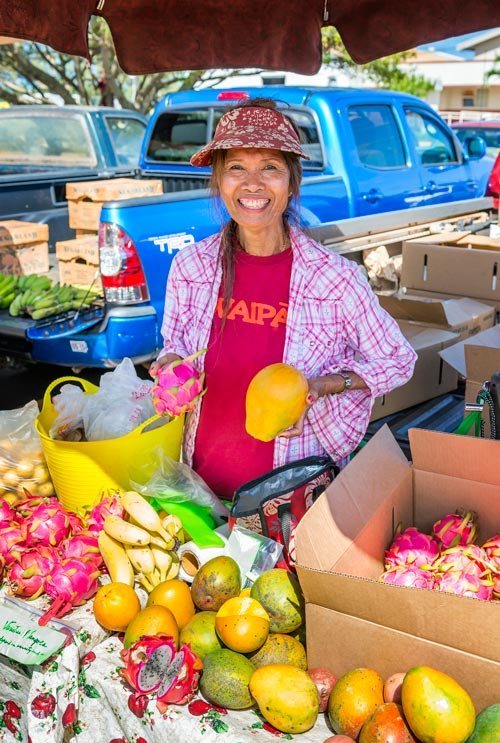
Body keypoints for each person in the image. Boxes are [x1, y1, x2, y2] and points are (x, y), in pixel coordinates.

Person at [150, 98, 417, 502]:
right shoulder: (191, 266)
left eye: (270, 168)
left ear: (292, 182)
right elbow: (175, 348)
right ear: (219, 180)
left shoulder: (334, 279)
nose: (252, 184)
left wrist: (323, 386)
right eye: (236, 168)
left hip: (293, 497)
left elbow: (398, 360)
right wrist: (171, 370)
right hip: (201, 488)